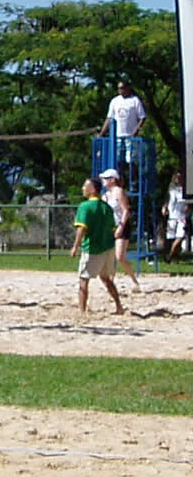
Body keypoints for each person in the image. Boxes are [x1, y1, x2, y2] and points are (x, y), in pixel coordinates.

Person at [70, 177, 124, 315]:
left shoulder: (85, 206)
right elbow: (112, 228)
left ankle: (82, 312)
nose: (82, 188)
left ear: (93, 189)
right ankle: (119, 306)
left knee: (83, 280)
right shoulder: (106, 207)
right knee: (106, 279)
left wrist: (75, 246)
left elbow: (81, 229)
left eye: (85, 186)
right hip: (108, 248)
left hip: (92, 248)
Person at [100, 169, 140, 291]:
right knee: (109, 256)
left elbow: (126, 210)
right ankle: (111, 282)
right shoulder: (105, 196)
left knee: (119, 256)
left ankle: (134, 280)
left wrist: (121, 227)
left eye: (106, 178)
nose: (103, 181)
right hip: (110, 227)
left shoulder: (119, 192)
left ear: (112, 180)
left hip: (121, 225)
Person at [98, 81, 147, 174]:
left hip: (130, 136)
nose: (121, 90)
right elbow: (109, 118)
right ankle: (120, 181)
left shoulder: (135, 100)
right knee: (118, 160)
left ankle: (134, 184)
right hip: (117, 137)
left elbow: (142, 117)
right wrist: (101, 133)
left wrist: (137, 129)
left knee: (131, 160)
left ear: (128, 88)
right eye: (119, 88)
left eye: (123, 88)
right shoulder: (115, 101)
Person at [162, 170, 189, 263]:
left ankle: (170, 255)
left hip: (182, 216)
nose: (179, 179)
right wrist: (164, 207)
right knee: (170, 237)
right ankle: (173, 256)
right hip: (172, 216)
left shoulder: (186, 190)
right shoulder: (172, 190)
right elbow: (167, 200)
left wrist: (188, 207)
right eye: (177, 177)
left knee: (180, 236)